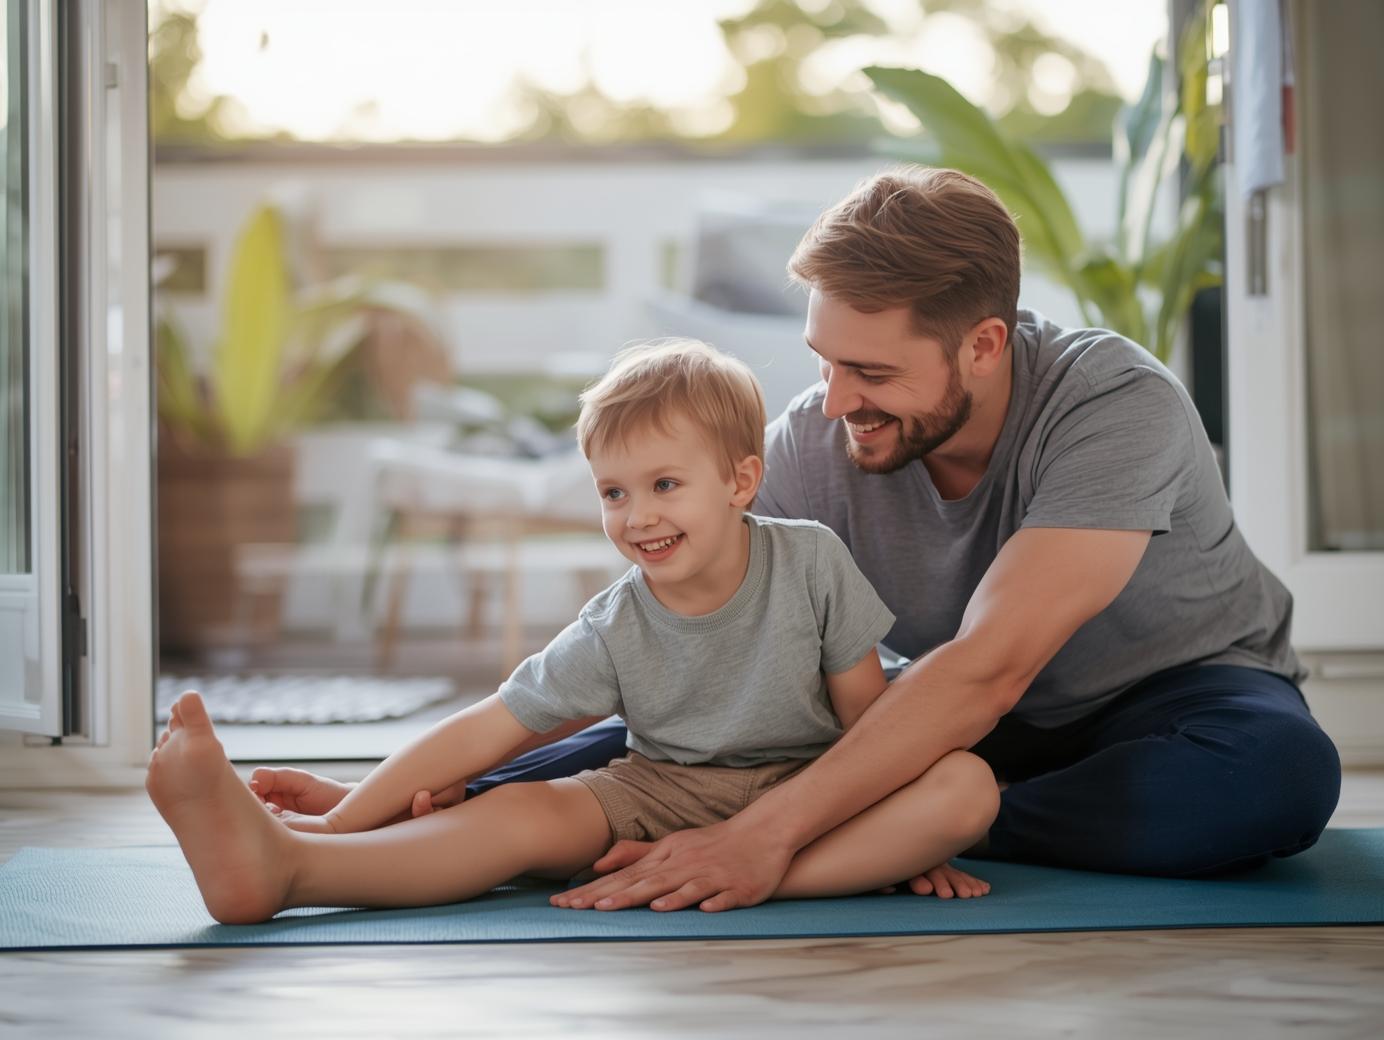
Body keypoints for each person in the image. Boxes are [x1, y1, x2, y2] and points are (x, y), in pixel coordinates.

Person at [253, 166, 1342, 914]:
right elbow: (672, 656)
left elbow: (990, 664)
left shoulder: (1110, 400)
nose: (834, 401)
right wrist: (415, 785)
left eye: (870, 372)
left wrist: (765, 832)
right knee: (679, 739)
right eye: (824, 361)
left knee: (1277, 777)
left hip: (1171, 701)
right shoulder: (818, 442)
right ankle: (390, 830)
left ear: (982, 345)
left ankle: (891, 824)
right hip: (933, 714)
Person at [147, 339, 1000, 925]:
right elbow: (489, 726)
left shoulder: (811, 561)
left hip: (807, 803)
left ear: (742, 480)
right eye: (614, 492)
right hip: (654, 799)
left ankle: (742, 871)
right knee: (519, 814)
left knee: (965, 790)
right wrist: (347, 819)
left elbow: (869, 721)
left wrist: (900, 826)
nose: (638, 516)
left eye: (665, 483)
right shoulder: (618, 618)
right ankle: (297, 869)